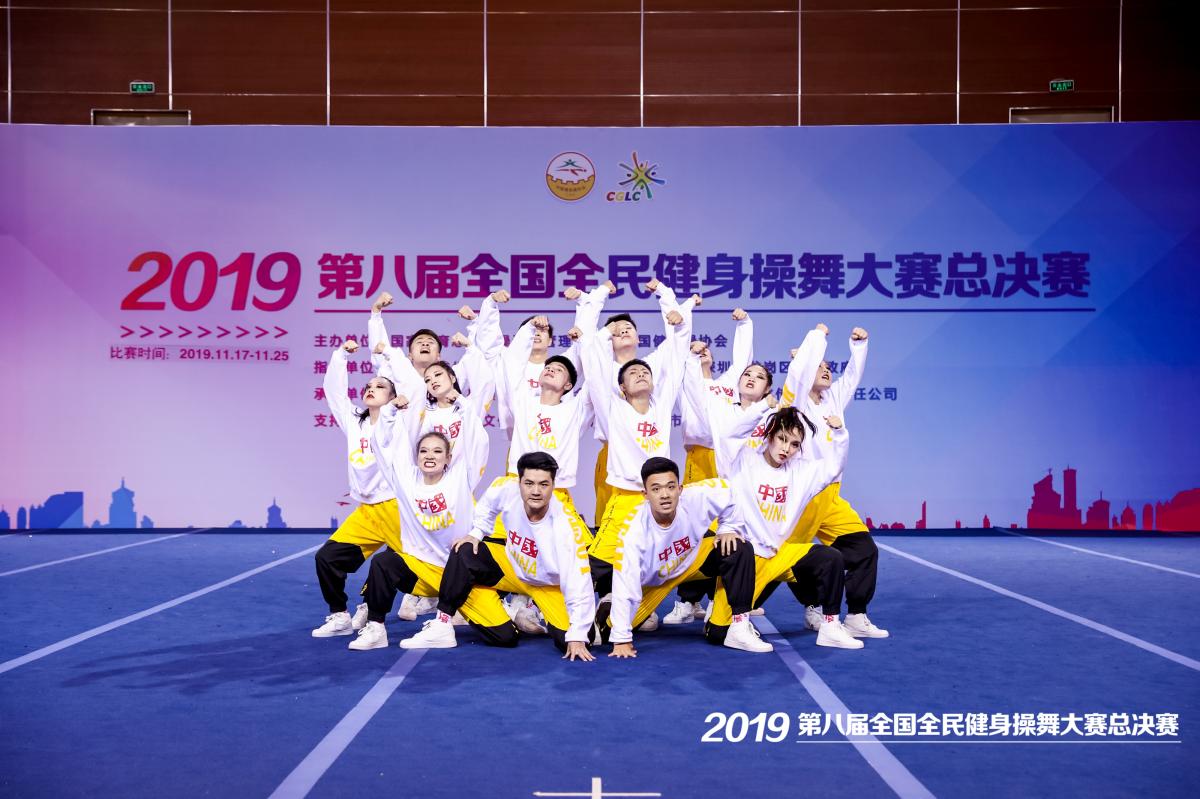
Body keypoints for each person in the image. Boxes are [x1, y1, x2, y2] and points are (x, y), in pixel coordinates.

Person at [398, 453, 597, 661]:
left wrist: (577, 635)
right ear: (519, 482)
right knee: (465, 549)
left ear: (553, 485)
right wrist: (478, 532)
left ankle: (539, 612)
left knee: (578, 639)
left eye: (543, 484)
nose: (536, 491)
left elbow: (578, 582)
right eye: (529, 483)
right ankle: (442, 622)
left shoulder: (565, 526)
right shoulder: (506, 488)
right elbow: (488, 505)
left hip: (549, 585)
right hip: (513, 568)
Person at [344, 387, 496, 650]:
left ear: (448, 458)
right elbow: (380, 446)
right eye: (424, 451)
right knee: (383, 562)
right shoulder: (405, 479)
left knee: (503, 636)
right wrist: (389, 411)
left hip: (458, 576)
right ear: (416, 456)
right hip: (421, 570)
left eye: (437, 451)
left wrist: (462, 404)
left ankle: (465, 614)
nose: (429, 456)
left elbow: (479, 441)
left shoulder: (463, 476)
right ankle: (376, 629)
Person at [706, 406, 864, 650]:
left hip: (781, 554)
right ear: (769, 435)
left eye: (794, 444)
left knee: (831, 558)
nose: (786, 448)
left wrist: (840, 433)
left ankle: (831, 627)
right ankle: (728, 621)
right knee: (718, 633)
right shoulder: (742, 462)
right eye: (782, 439)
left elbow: (833, 467)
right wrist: (761, 408)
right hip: (747, 559)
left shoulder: (802, 472)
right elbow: (728, 436)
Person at [602, 457, 771, 657]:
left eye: (670, 487)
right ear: (645, 494)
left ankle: (740, 628)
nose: (665, 495)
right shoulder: (633, 532)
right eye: (656, 489)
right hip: (653, 583)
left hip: (691, 560)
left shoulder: (696, 497)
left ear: (680, 489)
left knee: (738, 547)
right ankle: (607, 604)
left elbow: (730, 490)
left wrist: (728, 527)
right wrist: (622, 639)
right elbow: (625, 587)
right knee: (604, 634)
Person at [311, 338, 402, 638]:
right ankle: (339, 615)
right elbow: (335, 393)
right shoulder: (355, 422)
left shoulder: (400, 425)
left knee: (422, 569)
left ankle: (453, 611)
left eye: (380, 386)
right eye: (369, 385)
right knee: (327, 558)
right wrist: (340, 356)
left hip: (396, 509)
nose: (371, 388)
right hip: (367, 514)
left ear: (393, 397)